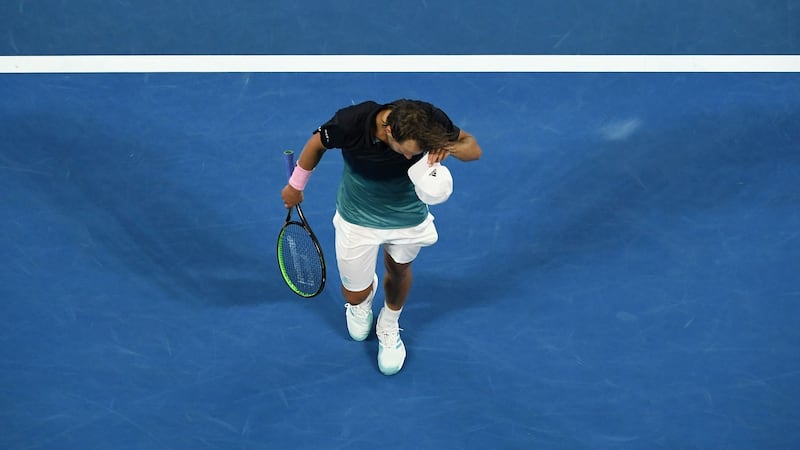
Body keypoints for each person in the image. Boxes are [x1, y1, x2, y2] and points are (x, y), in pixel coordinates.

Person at [280, 99, 482, 375]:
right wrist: (296, 185)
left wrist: (449, 148)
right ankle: (361, 305)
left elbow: (474, 149)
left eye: (417, 152)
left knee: (398, 270)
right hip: (357, 216)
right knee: (354, 293)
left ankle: (389, 322)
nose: (411, 158)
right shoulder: (350, 123)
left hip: (407, 216)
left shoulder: (429, 120)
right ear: (388, 131)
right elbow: (316, 144)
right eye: (407, 151)